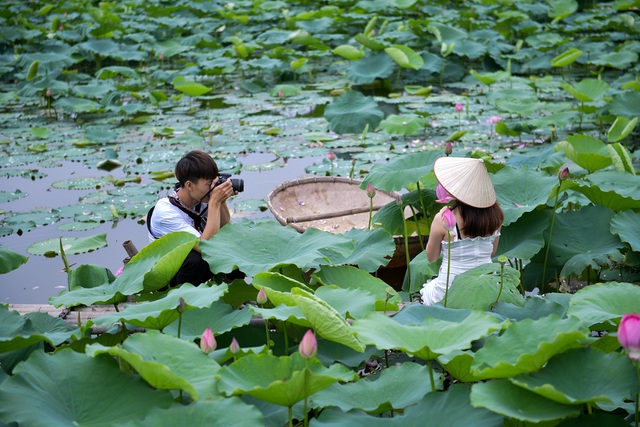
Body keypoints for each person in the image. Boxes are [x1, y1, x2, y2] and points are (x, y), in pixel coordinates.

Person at [419, 156, 504, 306]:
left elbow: (431, 257)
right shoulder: (497, 217)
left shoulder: (444, 218)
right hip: (487, 287)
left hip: (449, 291)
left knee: (430, 289)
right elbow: (492, 252)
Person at [147, 150, 235, 286]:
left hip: (191, 261)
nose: (213, 187)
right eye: (209, 183)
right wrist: (214, 202)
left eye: (215, 182)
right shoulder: (166, 213)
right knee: (197, 260)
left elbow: (225, 229)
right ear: (189, 185)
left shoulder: (200, 199)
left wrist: (221, 201)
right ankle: (183, 300)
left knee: (236, 244)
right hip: (167, 275)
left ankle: (233, 291)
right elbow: (207, 247)